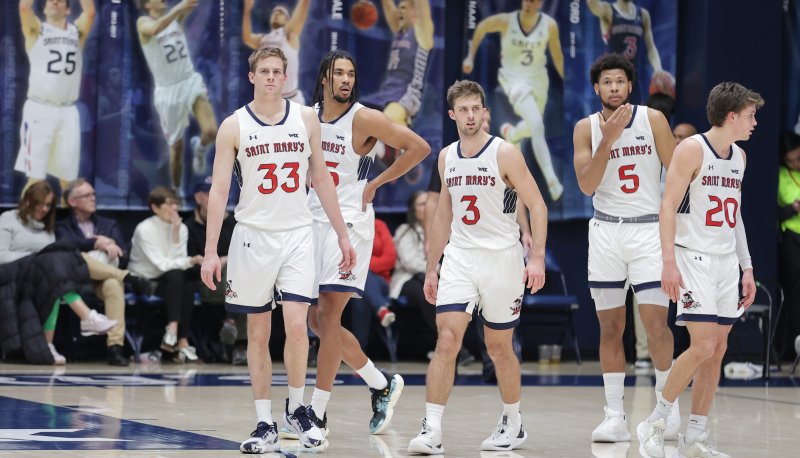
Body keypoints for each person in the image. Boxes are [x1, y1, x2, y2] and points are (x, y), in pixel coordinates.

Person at [200, 47, 355, 453]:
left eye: (277, 71)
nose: (271, 77)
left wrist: (341, 234)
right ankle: (264, 421)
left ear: (285, 78)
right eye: (263, 71)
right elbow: (219, 190)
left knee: (299, 324)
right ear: (251, 76)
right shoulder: (233, 126)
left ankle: (299, 409)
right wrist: (211, 249)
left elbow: (321, 179)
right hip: (253, 235)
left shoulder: (306, 119)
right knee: (258, 330)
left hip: (298, 234)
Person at [407, 80, 547, 454]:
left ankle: (513, 422)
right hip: (460, 259)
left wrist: (536, 258)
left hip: (502, 258)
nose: (470, 116)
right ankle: (432, 428)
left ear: (484, 111)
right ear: (452, 114)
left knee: (498, 347)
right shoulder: (446, 157)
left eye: (476, 109)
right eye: (463, 110)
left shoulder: (506, 154)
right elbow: (441, 216)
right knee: (447, 339)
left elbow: (538, 205)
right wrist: (432, 266)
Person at [304, 49, 429, 441]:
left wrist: (376, 183)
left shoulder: (365, 117)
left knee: (328, 316)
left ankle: (318, 414)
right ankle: (379, 383)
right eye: (338, 73)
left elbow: (419, 148)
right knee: (314, 320)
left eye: (351, 74)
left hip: (351, 223)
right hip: (311, 220)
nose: (345, 79)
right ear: (324, 78)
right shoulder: (307, 117)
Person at [636, 82, 761, 458]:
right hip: (693, 258)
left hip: (725, 261)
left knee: (718, 349)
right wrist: (668, 262)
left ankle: (697, 433)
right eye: (751, 115)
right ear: (732, 115)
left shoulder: (739, 157)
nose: (755, 122)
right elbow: (668, 207)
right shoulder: (691, 149)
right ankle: (654, 422)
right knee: (703, 344)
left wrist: (747, 266)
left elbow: (734, 215)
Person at [572, 54, 679, 444]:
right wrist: (609, 141)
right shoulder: (585, 129)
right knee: (610, 327)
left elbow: (678, 174)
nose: (614, 87)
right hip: (605, 233)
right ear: (596, 88)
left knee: (656, 326)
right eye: (607, 82)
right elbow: (586, 185)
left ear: (630, 87)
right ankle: (614, 415)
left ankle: (668, 410)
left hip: (648, 231)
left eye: (620, 81)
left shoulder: (653, 120)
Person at [0, 181, 118, 364]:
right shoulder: (9, 219)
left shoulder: (48, 229)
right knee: (49, 265)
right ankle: (87, 317)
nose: (44, 209)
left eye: (48, 205)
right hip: (8, 276)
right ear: (27, 201)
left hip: (36, 279)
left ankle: (50, 345)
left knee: (54, 278)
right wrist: (33, 258)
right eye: (39, 204)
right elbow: (1, 255)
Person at [462, 0, 565, 201]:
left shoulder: (549, 25)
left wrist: (569, 81)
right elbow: (482, 27)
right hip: (514, 80)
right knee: (536, 125)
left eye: (534, 0)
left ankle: (514, 133)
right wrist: (470, 57)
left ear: (540, 3)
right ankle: (552, 181)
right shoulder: (507, 21)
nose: (529, 3)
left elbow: (558, 57)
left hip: (538, 80)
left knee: (535, 127)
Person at [14, 0, 95, 197]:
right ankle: (22, 225)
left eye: (60, 1)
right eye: (51, 0)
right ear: (44, 9)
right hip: (40, 109)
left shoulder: (76, 32)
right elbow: (24, 7)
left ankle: (68, 227)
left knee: (68, 181)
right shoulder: (37, 30)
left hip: (68, 111)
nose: (55, 2)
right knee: (36, 180)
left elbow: (90, 12)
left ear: (68, 9)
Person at [137, 0, 218, 191]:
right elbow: (155, 28)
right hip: (168, 91)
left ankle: (200, 148)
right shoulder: (143, 22)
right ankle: (177, 190)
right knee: (176, 149)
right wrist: (180, 8)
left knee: (211, 131)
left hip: (189, 80)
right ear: (148, 5)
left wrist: (183, 7)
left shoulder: (175, 17)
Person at [56, 178, 134, 366]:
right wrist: (95, 243)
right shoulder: (62, 226)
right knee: (79, 257)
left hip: (102, 279)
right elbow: (66, 246)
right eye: (87, 195)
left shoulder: (109, 224)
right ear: (72, 202)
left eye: (93, 194)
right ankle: (130, 278)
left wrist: (111, 244)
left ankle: (115, 347)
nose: (93, 198)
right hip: (74, 281)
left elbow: (121, 255)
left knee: (114, 285)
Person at [128, 186, 203, 363]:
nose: (174, 209)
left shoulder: (181, 227)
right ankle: (182, 343)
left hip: (169, 279)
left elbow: (176, 263)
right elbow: (161, 264)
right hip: (145, 279)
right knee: (179, 276)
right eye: (169, 204)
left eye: (176, 204)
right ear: (155, 207)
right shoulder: (144, 229)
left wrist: (176, 233)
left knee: (186, 280)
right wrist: (191, 260)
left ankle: (173, 330)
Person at [184, 176, 242, 353]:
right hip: (205, 280)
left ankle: (231, 325)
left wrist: (226, 260)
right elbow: (188, 261)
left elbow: (245, 252)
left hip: (232, 281)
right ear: (197, 198)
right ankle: (231, 327)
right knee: (240, 284)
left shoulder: (235, 223)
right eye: (209, 193)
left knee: (240, 274)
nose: (215, 198)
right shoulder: (189, 226)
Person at [363, 0, 434, 129]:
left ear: (415, 12)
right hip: (386, 92)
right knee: (358, 117)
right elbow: (387, 3)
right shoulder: (399, 32)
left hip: (407, 93)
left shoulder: (422, 33)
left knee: (388, 119)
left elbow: (423, 7)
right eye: (399, 8)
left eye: (404, 8)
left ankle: (404, 142)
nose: (399, 11)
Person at [587, 0, 663, 103]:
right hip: (613, 80)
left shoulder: (643, 14)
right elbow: (592, 3)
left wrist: (658, 69)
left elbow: (651, 47)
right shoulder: (607, 10)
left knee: (636, 117)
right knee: (615, 118)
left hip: (633, 81)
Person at [242, 0, 309, 104]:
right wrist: (247, 8)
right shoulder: (263, 39)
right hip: (269, 100)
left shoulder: (289, 34)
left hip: (291, 99)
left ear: (288, 21)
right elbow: (247, 37)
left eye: (281, 13)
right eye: (275, 12)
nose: (277, 13)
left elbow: (302, 8)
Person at [348, 218, 398, 351]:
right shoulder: (343, 225)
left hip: (379, 282)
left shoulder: (379, 225)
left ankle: (359, 352)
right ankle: (381, 308)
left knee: (363, 285)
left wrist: (363, 265)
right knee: (361, 291)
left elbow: (390, 258)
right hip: (348, 280)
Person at [778, 132, 800, 358]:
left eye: (799, 158)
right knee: (795, 295)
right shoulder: (781, 175)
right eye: (791, 160)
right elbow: (773, 212)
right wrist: (792, 208)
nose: (796, 163)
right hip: (793, 237)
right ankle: (793, 347)